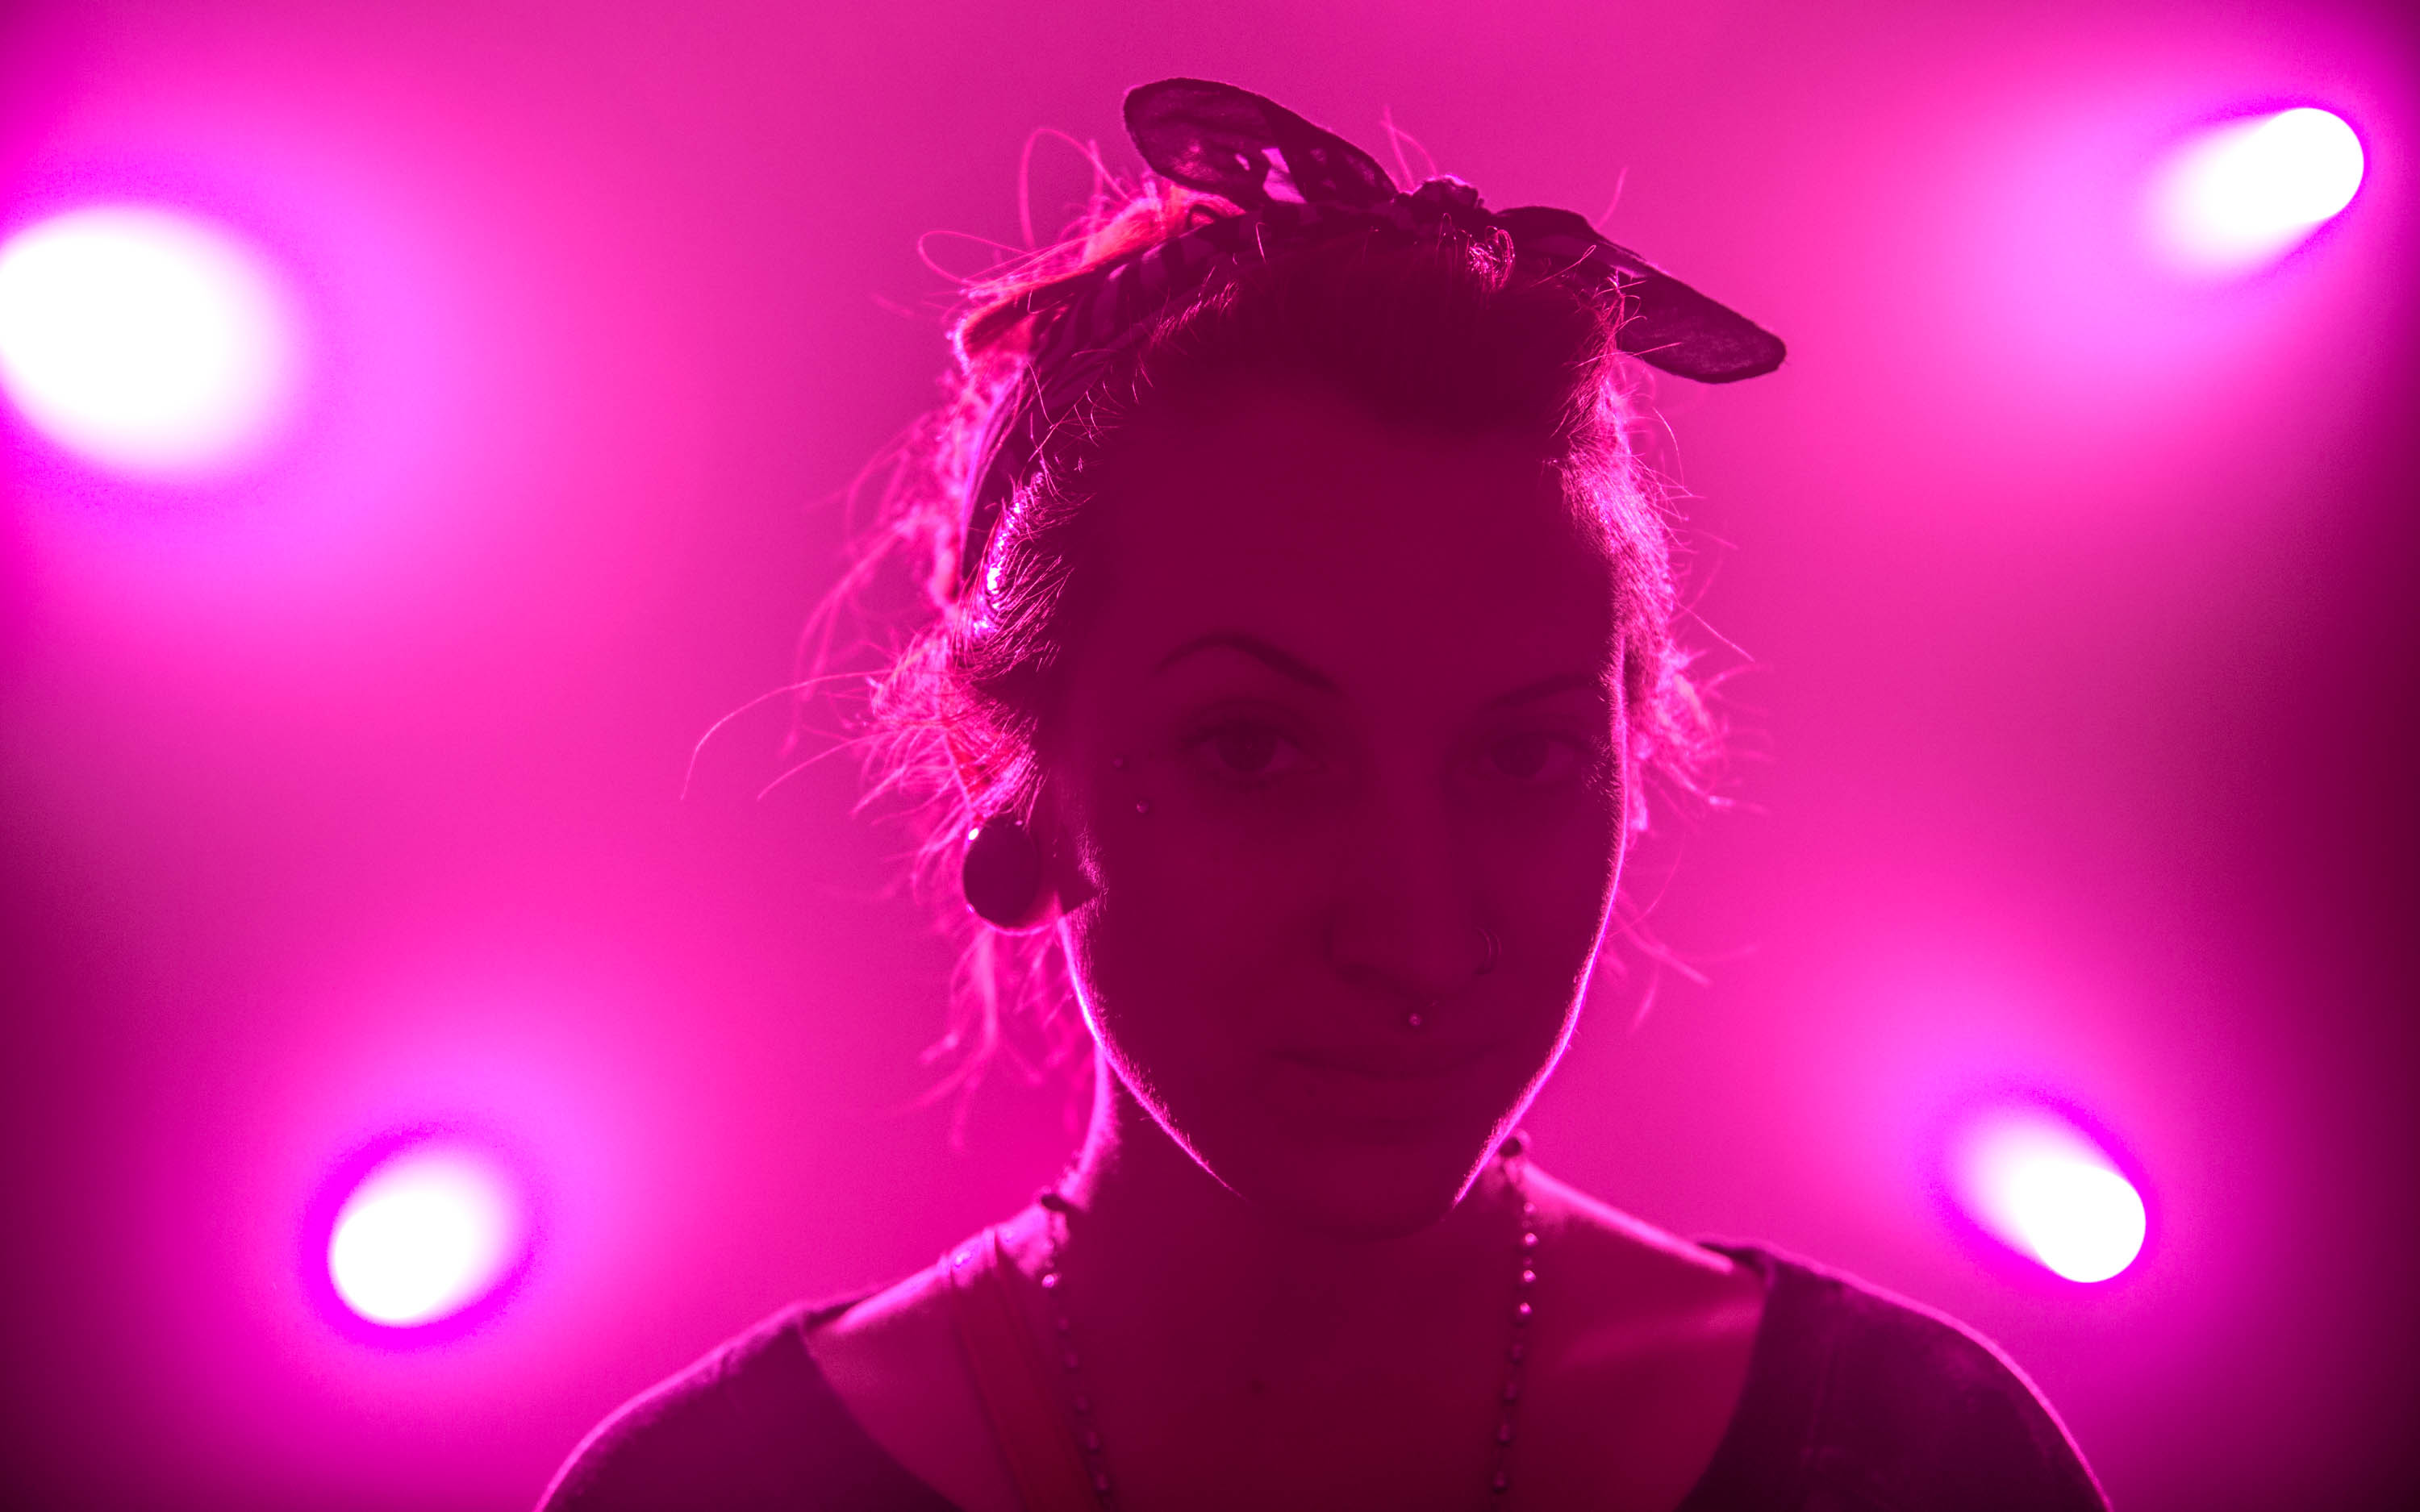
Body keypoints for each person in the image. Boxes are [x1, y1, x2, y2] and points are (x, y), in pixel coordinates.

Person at [540, 80, 2107, 1512]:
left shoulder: (1922, 1463)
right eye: (1255, 750)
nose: (1418, 934)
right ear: (1010, 763)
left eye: (1523, 756)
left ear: (1633, 754)